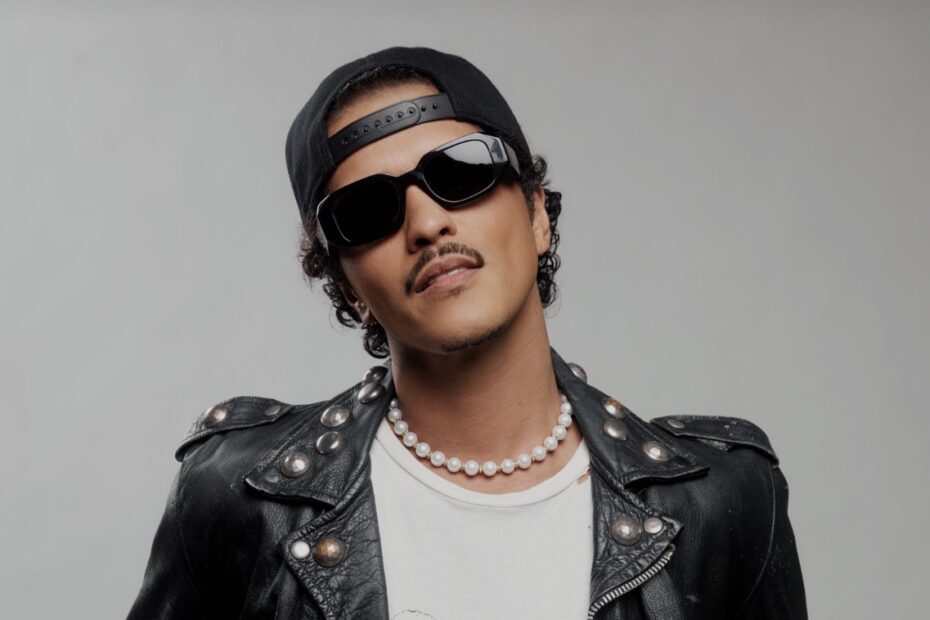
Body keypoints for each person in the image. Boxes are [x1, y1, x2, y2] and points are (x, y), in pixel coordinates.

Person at [127, 46, 807, 619]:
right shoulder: (236, 497)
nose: (427, 224)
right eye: (367, 210)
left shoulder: (721, 501)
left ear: (537, 215)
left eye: (462, 172)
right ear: (348, 288)